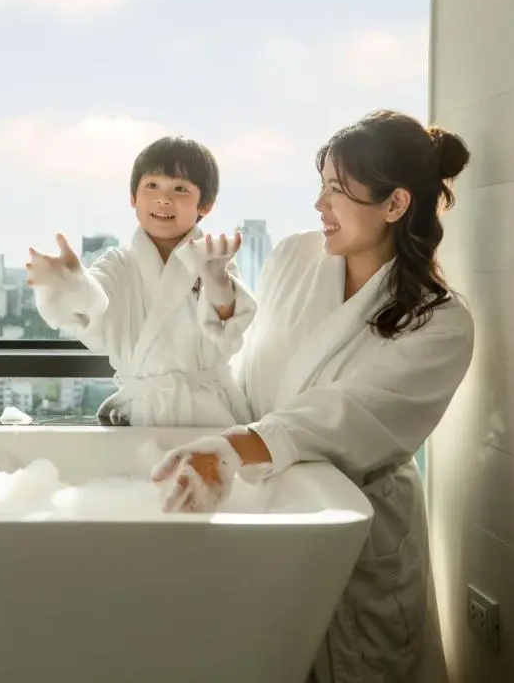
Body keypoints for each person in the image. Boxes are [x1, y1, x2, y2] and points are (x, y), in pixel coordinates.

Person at [150, 109, 474, 682]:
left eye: (336, 191)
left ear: (395, 205)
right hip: (268, 512)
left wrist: (232, 449)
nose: (318, 206)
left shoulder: (438, 323)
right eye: (320, 186)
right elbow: (247, 368)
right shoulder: (296, 258)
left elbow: (342, 417)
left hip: (358, 529)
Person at [26, 135, 255, 427]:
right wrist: (73, 284)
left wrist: (217, 279)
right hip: (141, 415)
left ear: (205, 205)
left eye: (180, 189)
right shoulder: (118, 264)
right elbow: (96, 300)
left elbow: (230, 329)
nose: (164, 198)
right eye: (152, 185)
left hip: (209, 413)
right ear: (133, 198)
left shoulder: (214, 261)